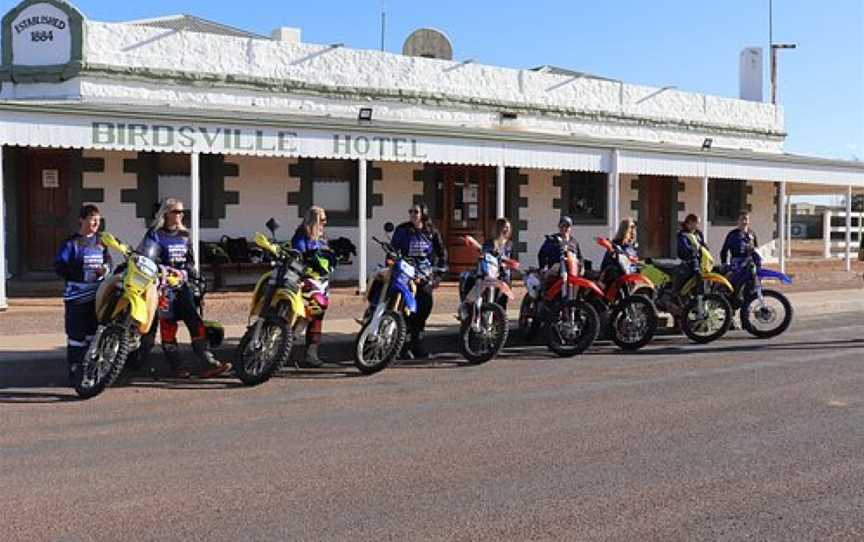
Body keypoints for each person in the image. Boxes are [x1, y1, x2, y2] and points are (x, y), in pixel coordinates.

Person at [139, 198, 231, 378]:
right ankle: (176, 367)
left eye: (182, 212)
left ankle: (208, 363)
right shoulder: (155, 234)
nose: (180, 215)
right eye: (176, 212)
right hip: (163, 286)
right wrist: (163, 270)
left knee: (195, 322)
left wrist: (194, 277)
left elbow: (190, 262)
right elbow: (148, 258)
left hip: (183, 285)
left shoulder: (184, 236)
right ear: (166, 214)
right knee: (168, 325)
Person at [55, 205, 112, 384]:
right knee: (76, 337)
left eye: (98, 219)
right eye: (92, 219)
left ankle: (91, 371)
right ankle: (75, 371)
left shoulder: (101, 242)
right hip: (77, 297)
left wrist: (105, 270)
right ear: (82, 220)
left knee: (93, 336)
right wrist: (82, 272)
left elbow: (108, 262)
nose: (96, 223)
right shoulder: (71, 243)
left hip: (97, 297)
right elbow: (59, 266)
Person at [391, 202, 447, 359]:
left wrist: (438, 276)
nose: (412, 214)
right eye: (410, 211)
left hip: (424, 276)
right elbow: (393, 249)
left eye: (415, 211)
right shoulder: (402, 230)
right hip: (405, 275)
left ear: (423, 213)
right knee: (405, 311)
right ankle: (402, 346)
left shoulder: (431, 232)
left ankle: (418, 346)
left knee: (423, 309)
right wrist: (392, 261)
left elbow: (442, 253)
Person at [291, 205, 335, 368]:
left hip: (322, 281)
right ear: (313, 219)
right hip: (307, 279)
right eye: (322, 219)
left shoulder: (322, 236)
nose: (324, 223)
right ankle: (283, 349)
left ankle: (311, 353)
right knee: (304, 316)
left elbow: (326, 253)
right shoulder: (302, 233)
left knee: (317, 316)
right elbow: (299, 252)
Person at [481, 217, 514, 308]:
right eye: (504, 227)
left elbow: (511, 258)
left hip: (505, 275)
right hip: (492, 273)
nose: (506, 230)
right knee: (490, 298)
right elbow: (484, 254)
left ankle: (500, 319)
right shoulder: (489, 243)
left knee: (503, 300)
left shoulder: (509, 244)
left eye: (508, 227)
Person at [675, 213, 711, 292]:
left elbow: (703, 245)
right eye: (696, 223)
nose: (697, 226)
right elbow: (683, 249)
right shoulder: (682, 235)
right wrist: (693, 250)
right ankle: (677, 293)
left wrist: (705, 248)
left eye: (697, 223)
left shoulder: (698, 234)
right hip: (688, 262)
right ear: (689, 223)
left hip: (701, 262)